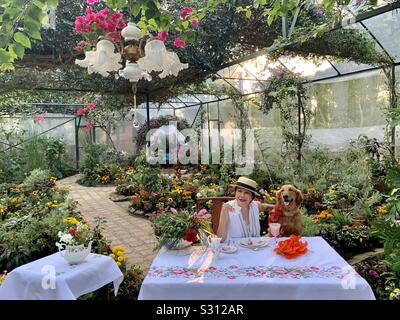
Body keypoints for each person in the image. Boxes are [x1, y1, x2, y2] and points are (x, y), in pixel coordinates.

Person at [217, 177, 273, 242]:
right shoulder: (227, 208)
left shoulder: (255, 206)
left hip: (256, 249)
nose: (242, 195)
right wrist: (224, 212)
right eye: (239, 191)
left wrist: (284, 206)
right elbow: (220, 239)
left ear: (252, 197)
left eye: (247, 193)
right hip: (235, 250)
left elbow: (267, 207)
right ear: (235, 192)